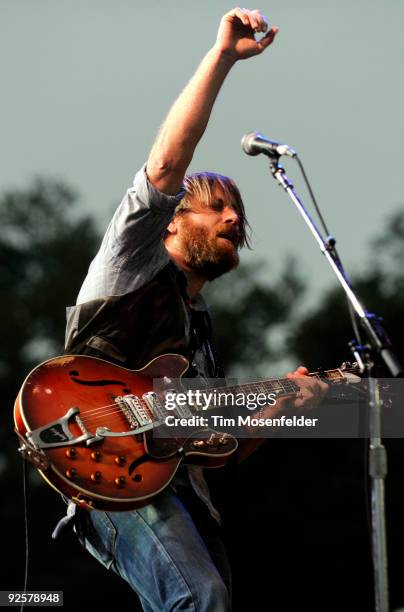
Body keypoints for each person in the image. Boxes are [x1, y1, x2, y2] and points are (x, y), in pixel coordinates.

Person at [62, 8, 327, 611]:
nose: (235, 218)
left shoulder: (198, 334)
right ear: (172, 222)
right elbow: (163, 167)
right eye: (216, 207)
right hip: (107, 464)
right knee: (200, 600)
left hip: (176, 486)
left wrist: (290, 405)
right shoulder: (130, 264)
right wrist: (223, 58)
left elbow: (217, 444)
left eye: (239, 213)